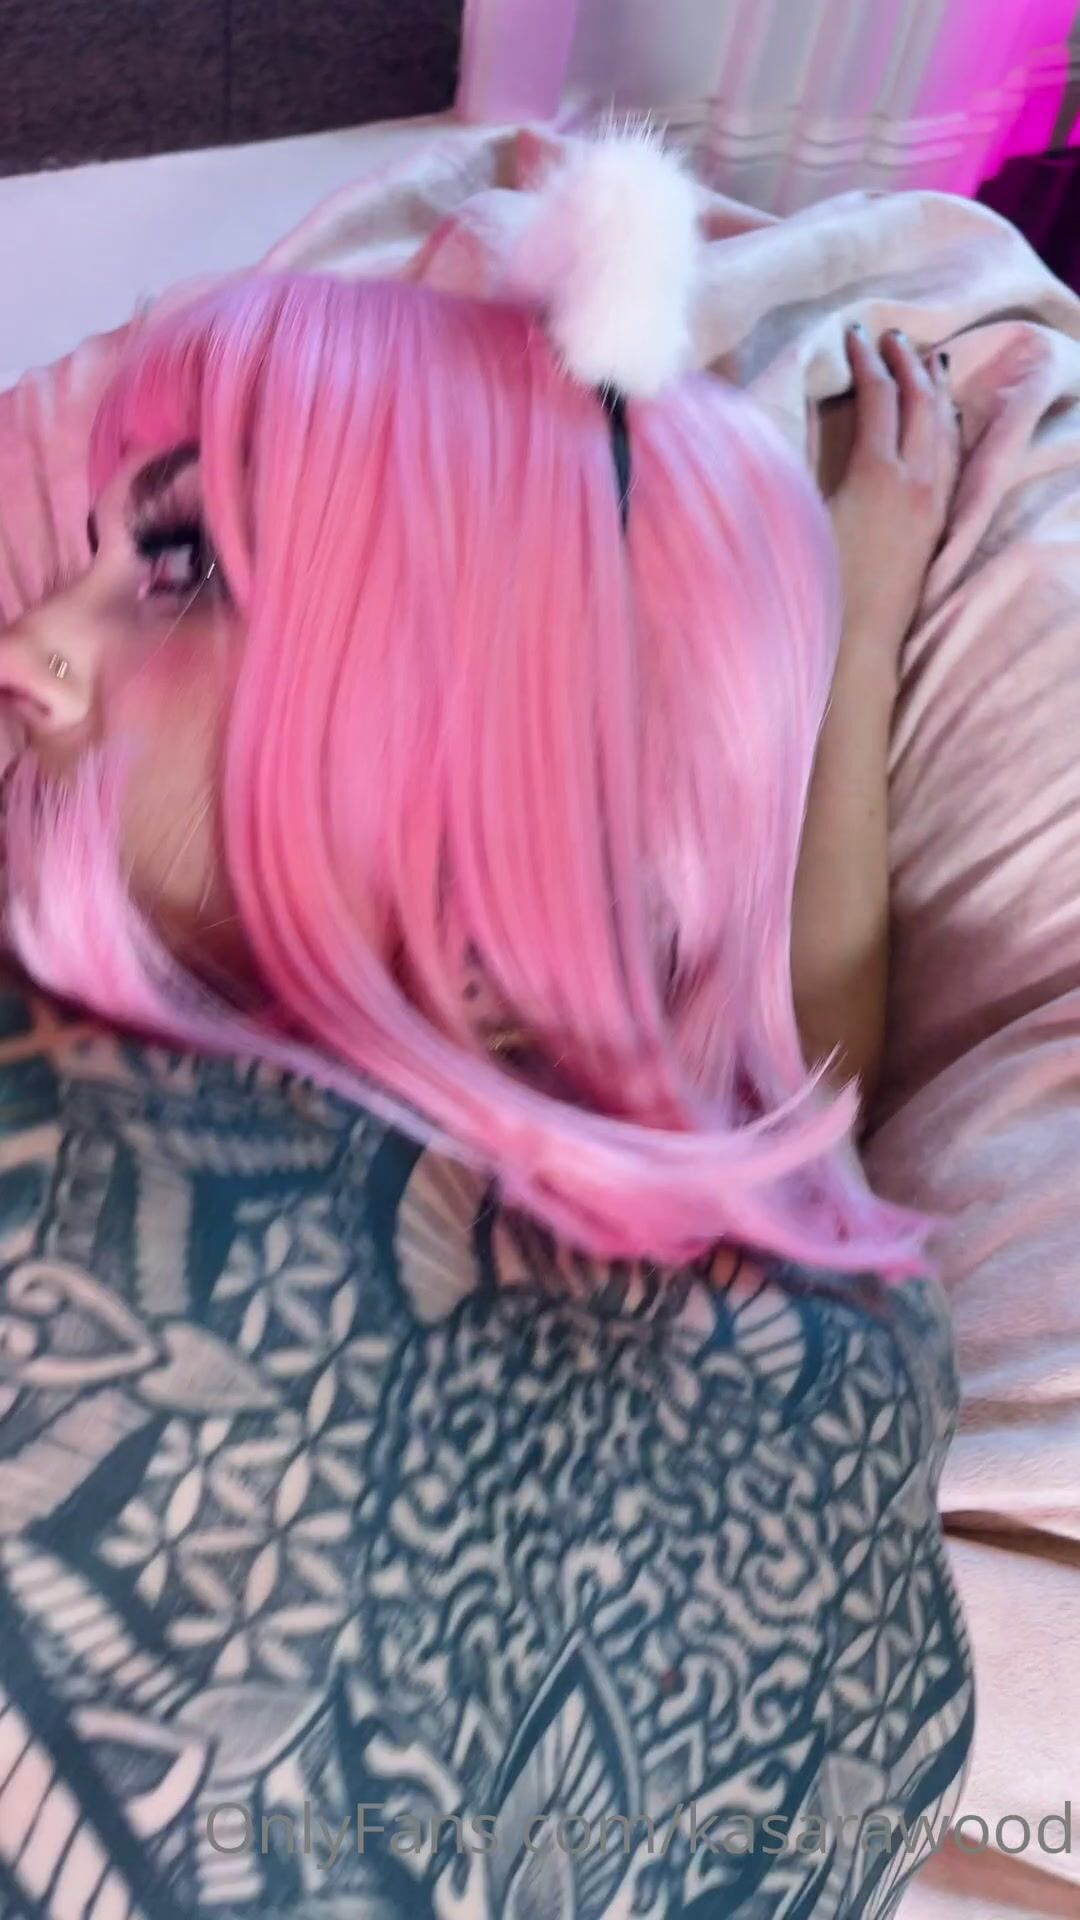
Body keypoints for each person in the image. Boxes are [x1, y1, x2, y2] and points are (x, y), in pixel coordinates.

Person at [0, 136, 971, 1917]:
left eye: (184, 566)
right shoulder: (852, 1354)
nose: (28, 645)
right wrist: (863, 615)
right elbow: (786, 1117)